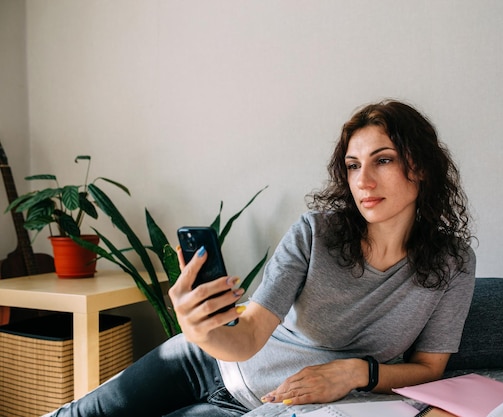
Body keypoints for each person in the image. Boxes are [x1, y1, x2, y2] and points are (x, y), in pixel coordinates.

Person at [46, 99, 476, 417]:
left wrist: (357, 373)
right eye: (351, 165)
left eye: (383, 160)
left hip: (262, 405)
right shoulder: (315, 233)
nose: (362, 180)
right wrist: (198, 327)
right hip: (204, 360)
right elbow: (248, 336)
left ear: (419, 167)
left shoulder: (453, 262)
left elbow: (429, 369)